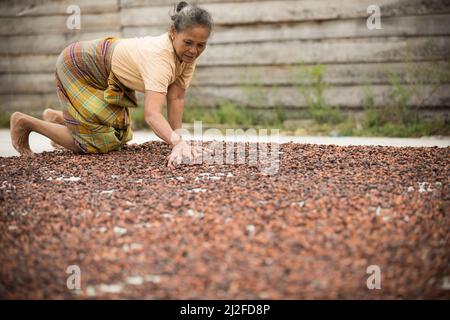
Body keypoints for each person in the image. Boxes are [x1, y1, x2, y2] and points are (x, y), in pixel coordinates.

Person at [9, 1, 213, 168]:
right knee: (94, 144)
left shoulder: (186, 58)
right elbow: (152, 114)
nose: (194, 50)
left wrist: (178, 141)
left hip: (108, 71)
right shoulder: (160, 57)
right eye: (188, 42)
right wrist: (177, 143)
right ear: (172, 32)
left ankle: (59, 120)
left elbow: (176, 97)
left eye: (201, 45)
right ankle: (25, 123)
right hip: (80, 64)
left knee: (118, 134)